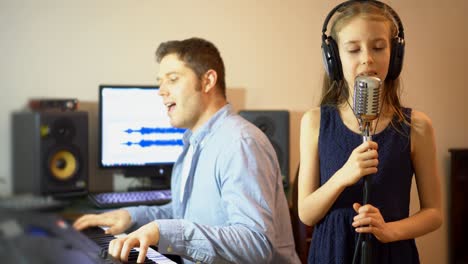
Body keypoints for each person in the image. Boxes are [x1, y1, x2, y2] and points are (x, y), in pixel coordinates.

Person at [74, 37, 300, 264]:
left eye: (172, 79)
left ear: (208, 81)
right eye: (160, 82)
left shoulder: (240, 143)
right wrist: (132, 216)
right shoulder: (193, 144)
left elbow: (255, 243)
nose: (161, 91)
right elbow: (186, 215)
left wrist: (165, 232)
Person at [297, 1, 442, 263]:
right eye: (353, 49)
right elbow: (306, 213)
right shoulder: (314, 122)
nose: (367, 58)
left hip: (393, 254)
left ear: (395, 55)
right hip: (331, 254)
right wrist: (344, 175)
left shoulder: (417, 126)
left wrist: (389, 230)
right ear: (334, 58)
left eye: (378, 47)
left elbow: (434, 213)